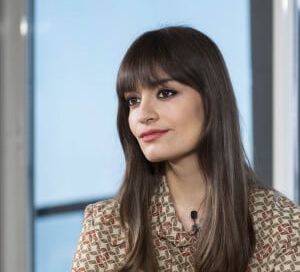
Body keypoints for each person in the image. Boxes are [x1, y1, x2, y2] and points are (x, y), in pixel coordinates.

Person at [71, 26, 300, 272]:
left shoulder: (281, 223)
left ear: (211, 99)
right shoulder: (106, 225)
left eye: (165, 93)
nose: (143, 115)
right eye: (133, 100)